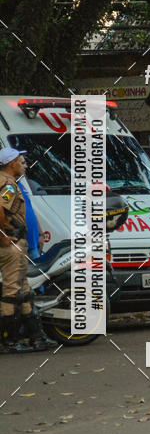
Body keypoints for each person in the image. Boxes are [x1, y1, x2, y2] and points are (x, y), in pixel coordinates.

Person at [0, 148, 56, 352]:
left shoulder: (11, 183)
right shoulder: (7, 184)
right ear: (11, 163)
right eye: (20, 161)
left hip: (18, 242)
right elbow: (0, 207)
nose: (24, 165)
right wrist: (3, 236)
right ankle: (9, 341)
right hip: (11, 243)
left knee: (24, 292)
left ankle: (36, 337)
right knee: (12, 293)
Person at [18, 180, 44, 259]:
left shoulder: (19, 184)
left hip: (32, 245)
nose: (25, 166)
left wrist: (40, 234)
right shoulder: (5, 185)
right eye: (22, 166)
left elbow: (30, 210)